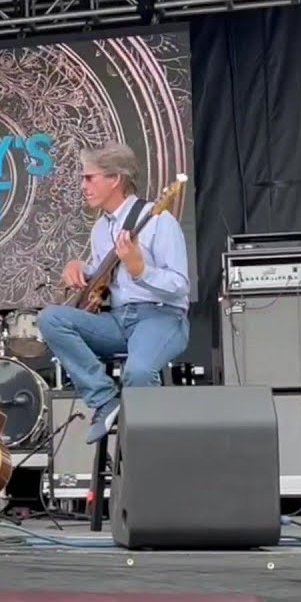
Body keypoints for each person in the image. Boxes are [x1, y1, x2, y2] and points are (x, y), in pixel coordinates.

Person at [37, 142, 190, 445]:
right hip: (119, 320)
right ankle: (105, 399)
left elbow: (180, 285)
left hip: (160, 316)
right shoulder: (100, 229)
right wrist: (79, 267)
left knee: (139, 371)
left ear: (115, 179)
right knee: (50, 320)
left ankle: (148, 455)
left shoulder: (158, 220)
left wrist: (141, 271)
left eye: (89, 177)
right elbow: (102, 274)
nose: (83, 185)